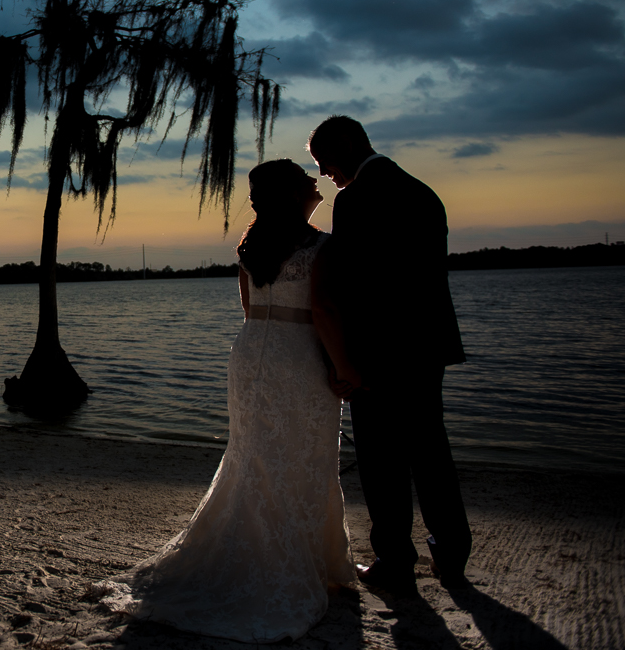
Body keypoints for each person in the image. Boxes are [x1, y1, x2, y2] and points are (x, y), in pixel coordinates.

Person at [97, 159, 356, 643]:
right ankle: (293, 564)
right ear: (291, 194)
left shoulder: (251, 245)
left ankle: (279, 554)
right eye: (305, 178)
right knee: (301, 458)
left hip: (251, 353)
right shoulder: (321, 246)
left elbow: (249, 308)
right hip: (298, 360)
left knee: (254, 458)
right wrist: (343, 367)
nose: (314, 181)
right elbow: (323, 309)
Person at [308, 115, 471, 597]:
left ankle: (395, 559)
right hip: (428, 346)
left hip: (379, 350)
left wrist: (346, 362)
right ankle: (452, 552)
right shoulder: (423, 193)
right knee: (430, 448)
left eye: (324, 162)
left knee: (382, 458)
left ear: (346, 145)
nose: (324, 174)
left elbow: (357, 289)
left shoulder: (357, 200)